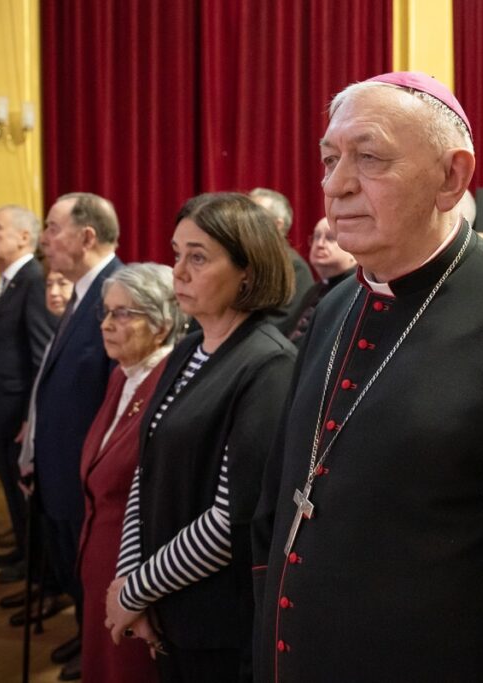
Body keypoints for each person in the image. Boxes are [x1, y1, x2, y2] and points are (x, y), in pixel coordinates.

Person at [253, 71, 483, 681]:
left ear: (451, 177)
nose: (337, 185)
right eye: (330, 159)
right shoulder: (333, 308)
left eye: (369, 157)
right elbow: (285, 498)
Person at [101, 193, 296, 682]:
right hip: (165, 606)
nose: (178, 272)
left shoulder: (268, 364)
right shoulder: (187, 348)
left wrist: (133, 592)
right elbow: (146, 468)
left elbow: (231, 520)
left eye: (198, 257)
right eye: (176, 253)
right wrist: (132, 580)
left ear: (247, 271)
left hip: (217, 626)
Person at [19, 192, 124, 680]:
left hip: (91, 478)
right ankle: (85, 637)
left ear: (86, 236)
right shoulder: (84, 290)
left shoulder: (118, 293)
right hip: (62, 469)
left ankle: (96, 652)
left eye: (52, 227)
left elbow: (117, 399)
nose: (44, 239)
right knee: (74, 574)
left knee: (93, 577)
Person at [77, 263, 183, 683]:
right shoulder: (122, 376)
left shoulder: (166, 383)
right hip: (99, 563)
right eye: (106, 312)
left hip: (133, 576)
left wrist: (137, 589)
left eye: (123, 313)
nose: (107, 324)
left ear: (161, 325)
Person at [0, 206, 56, 586]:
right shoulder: (9, 280)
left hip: (16, 415)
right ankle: (24, 551)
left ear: (25, 237)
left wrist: (30, 416)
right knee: (8, 488)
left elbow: (41, 355)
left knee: (24, 498)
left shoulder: (33, 278)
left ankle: (36, 567)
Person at [250, 187, 316, 338]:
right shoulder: (244, 259)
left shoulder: (294, 267)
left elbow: (282, 322)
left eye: (255, 214)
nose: (245, 220)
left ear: (277, 224)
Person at [288, 216, 357, 344]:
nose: (319, 244)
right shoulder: (315, 289)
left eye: (330, 238)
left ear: (353, 246)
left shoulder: (356, 291)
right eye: (316, 236)